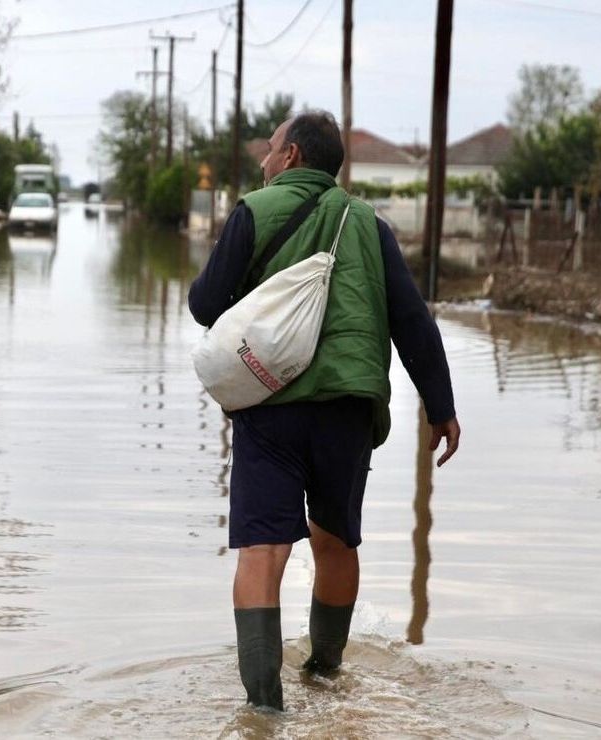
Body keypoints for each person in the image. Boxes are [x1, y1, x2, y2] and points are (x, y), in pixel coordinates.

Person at [187, 111, 460, 711]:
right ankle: (326, 675)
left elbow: (206, 305)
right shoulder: (368, 223)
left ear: (291, 157)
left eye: (269, 149)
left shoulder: (252, 212)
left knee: (263, 550)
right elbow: (412, 318)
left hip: (270, 408)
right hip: (348, 409)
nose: (262, 159)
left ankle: (263, 707)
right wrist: (440, 406)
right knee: (335, 542)